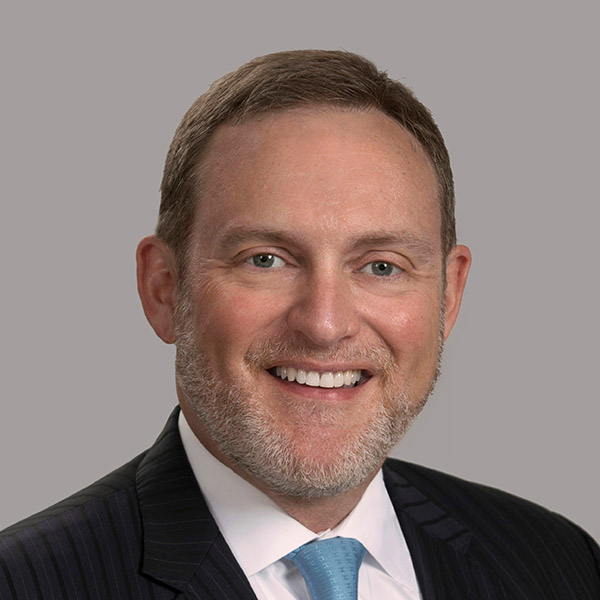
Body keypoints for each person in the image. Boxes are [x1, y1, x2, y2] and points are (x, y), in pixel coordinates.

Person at [0, 50, 598, 600]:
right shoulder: (25, 583)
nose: (325, 324)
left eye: (382, 266)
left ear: (449, 295)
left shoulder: (559, 565)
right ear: (164, 288)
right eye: (266, 259)